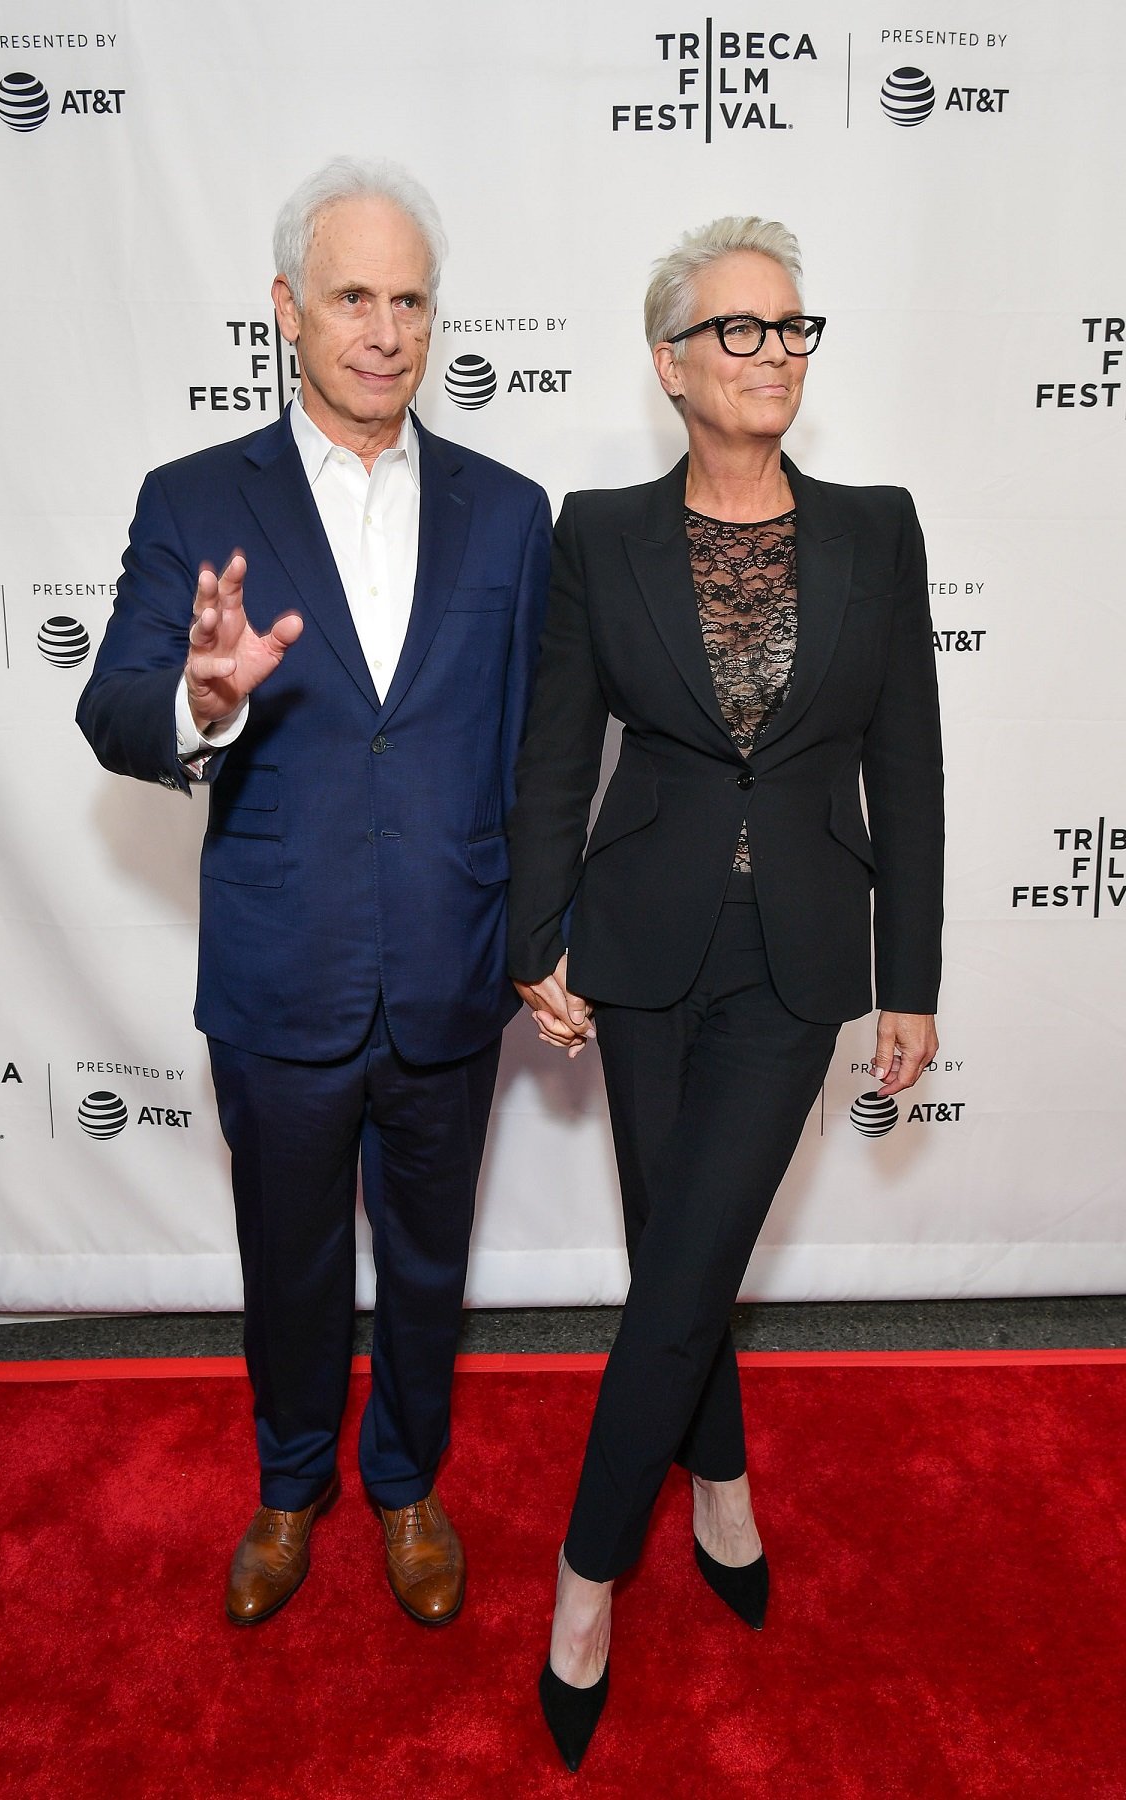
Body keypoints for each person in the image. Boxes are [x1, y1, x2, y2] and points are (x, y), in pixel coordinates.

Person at [77, 157, 551, 1629]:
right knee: (285, 1265)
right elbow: (113, 708)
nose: (386, 328)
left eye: (411, 298)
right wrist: (202, 704)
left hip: (453, 965)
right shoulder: (193, 499)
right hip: (281, 975)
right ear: (287, 309)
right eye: (354, 295)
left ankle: (407, 1483)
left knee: (427, 1259)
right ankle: (292, 1488)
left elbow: (538, 749)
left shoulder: (508, 510)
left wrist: (542, 937)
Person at [507, 215, 943, 1768]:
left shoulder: (875, 528)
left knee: (683, 1272)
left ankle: (584, 1574)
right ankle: (725, 1486)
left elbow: (910, 765)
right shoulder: (599, 530)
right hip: (637, 947)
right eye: (741, 332)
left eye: (793, 327)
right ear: (671, 363)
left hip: (801, 955)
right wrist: (535, 935)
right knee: (677, 1259)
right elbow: (562, 747)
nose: (776, 355)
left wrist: (916, 971)